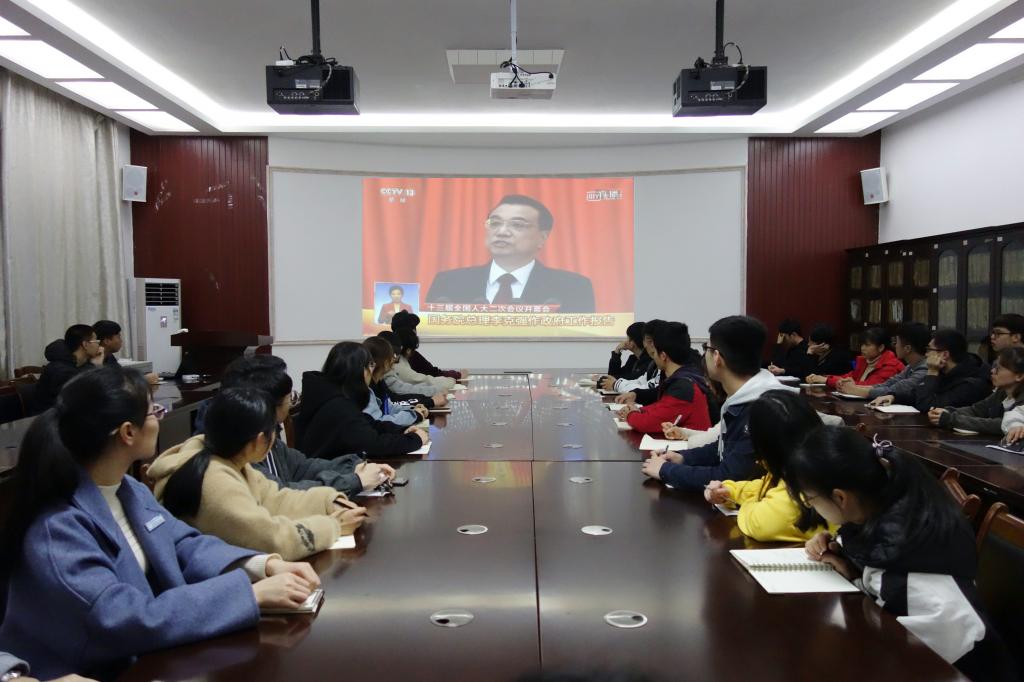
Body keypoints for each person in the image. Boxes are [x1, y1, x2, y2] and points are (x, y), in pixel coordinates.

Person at [0, 367, 320, 679]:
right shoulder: (57, 527)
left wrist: (262, 565)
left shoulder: (130, 490)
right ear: (128, 432)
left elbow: (185, 544)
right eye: (154, 411)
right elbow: (125, 617)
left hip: (153, 657)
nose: (160, 417)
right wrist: (249, 595)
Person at [787, 426, 1018, 681]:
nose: (812, 507)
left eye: (810, 500)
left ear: (841, 498)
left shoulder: (908, 578)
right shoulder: (891, 508)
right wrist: (850, 567)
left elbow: (895, 657)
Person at [150, 387, 367, 561]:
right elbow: (270, 540)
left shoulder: (228, 459)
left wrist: (329, 501)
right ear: (260, 439)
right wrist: (334, 526)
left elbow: (277, 499)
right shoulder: (215, 481)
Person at [641, 315, 796, 491]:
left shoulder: (763, 408)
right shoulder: (745, 396)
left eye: (706, 348)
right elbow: (724, 448)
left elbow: (730, 477)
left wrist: (666, 471)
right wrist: (681, 457)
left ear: (717, 357)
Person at [219, 355, 395, 498]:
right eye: (290, 397)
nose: (291, 402)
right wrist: (355, 481)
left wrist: (354, 467)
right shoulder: (238, 446)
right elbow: (283, 495)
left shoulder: (265, 430)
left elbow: (302, 466)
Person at [425, 194, 596, 312]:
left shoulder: (573, 287)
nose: (502, 232)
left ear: (542, 237)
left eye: (517, 225)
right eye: (495, 223)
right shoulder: (448, 283)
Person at [703, 391, 832, 543]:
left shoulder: (795, 496)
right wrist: (729, 491)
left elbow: (757, 522)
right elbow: (767, 486)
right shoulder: (811, 466)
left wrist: (745, 504)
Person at [293, 341, 428, 460]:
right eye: (371, 366)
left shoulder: (336, 394)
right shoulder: (338, 405)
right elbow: (373, 444)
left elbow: (370, 423)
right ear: (362, 371)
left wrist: (402, 430)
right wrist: (416, 440)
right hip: (328, 474)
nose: (372, 371)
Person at [619, 321, 710, 434]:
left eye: (654, 353)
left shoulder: (684, 387)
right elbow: (662, 407)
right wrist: (639, 410)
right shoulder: (682, 377)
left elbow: (647, 423)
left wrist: (630, 414)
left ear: (663, 356)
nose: (653, 357)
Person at [869, 329, 991, 411]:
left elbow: (928, 406)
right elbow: (917, 393)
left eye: (929, 350)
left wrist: (932, 372)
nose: (926, 354)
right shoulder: (945, 371)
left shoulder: (971, 384)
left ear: (944, 355)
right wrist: (893, 397)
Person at [928, 347, 1024, 435]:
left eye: (999, 369)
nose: (993, 371)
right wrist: (947, 411)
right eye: (994, 367)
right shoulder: (1002, 392)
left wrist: (951, 419)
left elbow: (1000, 425)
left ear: (1019, 376)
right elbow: (976, 410)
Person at [835, 322, 929, 400]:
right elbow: (887, 384)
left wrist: (854, 390)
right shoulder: (910, 366)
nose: (895, 346)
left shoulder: (925, 369)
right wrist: (853, 387)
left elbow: (892, 390)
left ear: (907, 348)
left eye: (896, 342)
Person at [34, 324, 104, 412]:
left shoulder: (81, 364)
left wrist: (96, 366)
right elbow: (81, 398)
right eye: (96, 341)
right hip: (51, 417)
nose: (99, 346)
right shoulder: (60, 370)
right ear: (85, 344)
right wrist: (97, 368)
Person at [807, 327, 903, 389]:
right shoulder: (864, 361)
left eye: (867, 345)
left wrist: (827, 381)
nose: (862, 348)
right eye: (862, 344)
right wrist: (824, 377)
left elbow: (869, 386)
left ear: (881, 347)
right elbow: (848, 377)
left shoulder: (890, 365)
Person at [375, 331, 449, 408]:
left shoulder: (381, 379)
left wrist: (429, 400)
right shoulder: (379, 379)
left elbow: (394, 401)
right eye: (393, 358)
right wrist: (431, 401)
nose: (393, 364)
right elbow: (394, 402)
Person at [390, 311, 466, 381]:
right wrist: (458, 375)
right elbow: (434, 374)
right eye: (414, 328)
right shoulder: (411, 356)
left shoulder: (388, 352)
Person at [94, 319, 160, 385]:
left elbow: (120, 376)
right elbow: (106, 383)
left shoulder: (109, 357)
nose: (121, 340)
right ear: (106, 341)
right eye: (118, 337)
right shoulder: (94, 360)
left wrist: (141, 378)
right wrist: (143, 380)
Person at [392, 328, 456, 393]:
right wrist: (450, 380)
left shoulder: (400, 360)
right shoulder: (399, 366)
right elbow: (425, 380)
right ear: (408, 350)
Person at [598, 322, 651, 389]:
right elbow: (614, 375)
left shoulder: (649, 361)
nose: (625, 341)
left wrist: (604, 378)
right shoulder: (633, 359)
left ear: (632, 342)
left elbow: (631, 378)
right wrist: (617, 352)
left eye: (627, 337)